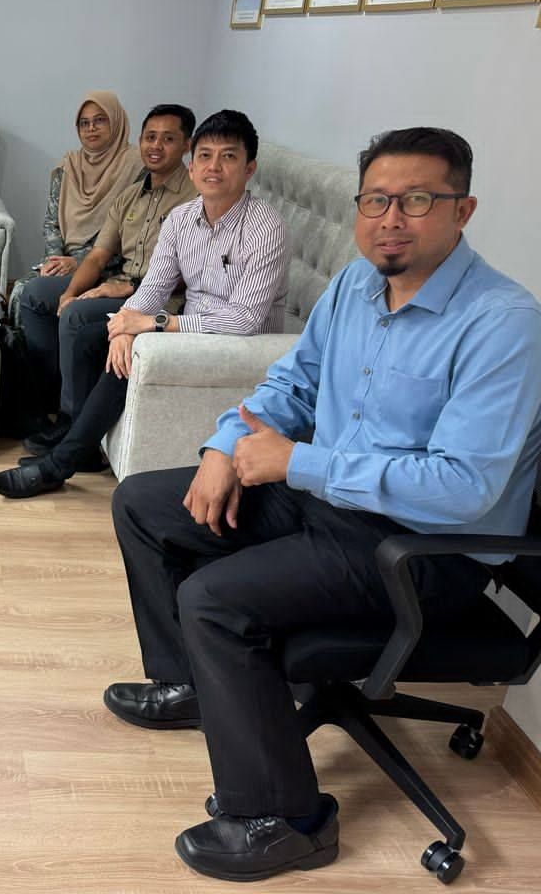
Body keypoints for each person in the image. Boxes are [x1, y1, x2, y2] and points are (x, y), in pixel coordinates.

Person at [104, 127, 541, 881]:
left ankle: (288, 821)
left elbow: (464, 488)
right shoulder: (355, 286)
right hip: (326, 500)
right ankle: (196, 686)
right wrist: (223, 448)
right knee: (145, 503)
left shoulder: (502, 323)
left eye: (416, 200)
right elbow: (292, 384)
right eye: (375, 200)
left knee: (215, 599)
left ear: (462, 210)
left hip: (422, 549)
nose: (390, 219)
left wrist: (298, 462)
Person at [0, 109, 288, 498]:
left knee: (132, 355)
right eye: (205, 156)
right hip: (190, 331)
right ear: (192, 166)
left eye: (228, 156)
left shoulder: (266, 228)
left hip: (239, 346)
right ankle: (80, 443)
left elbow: (244, 319)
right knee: (93, 338)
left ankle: (59, 465)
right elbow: (154, 287)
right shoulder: (181, 219)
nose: (214, 167)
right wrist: (125, 325)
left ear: (249, 169)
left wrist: (154, 325)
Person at [20, 104, 197, 446]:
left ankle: (73, 423)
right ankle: (47, 404)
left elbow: (190, 273)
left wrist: (122, 289)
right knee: (36, 294)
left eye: (168, 139)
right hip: (123, 286)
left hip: (163, 300)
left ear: (186, 145)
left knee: (75, 315)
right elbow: (99, 255)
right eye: (150, 137)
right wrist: (69, 292)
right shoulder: (131, 196)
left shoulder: (194, 198)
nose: (156, 146)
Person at [17, 91, 143, 409]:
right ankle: (43, 391)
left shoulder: (136, 169)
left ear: (117, 123)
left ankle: (59, 400)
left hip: (109, 269)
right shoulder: (68, 166)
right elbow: (51, 222)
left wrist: (77, 262)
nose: (91, 129)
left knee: (36, 293)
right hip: (66, 259)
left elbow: (128, 239)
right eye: (84, 123)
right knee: (24, 290)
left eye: (100, 121)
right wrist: (54, 258)